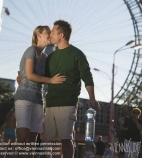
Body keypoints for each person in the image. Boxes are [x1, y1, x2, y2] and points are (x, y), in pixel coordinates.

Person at [43, 20, 99, 158]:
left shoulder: (76, 54)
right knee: (53, 142)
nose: (50, 34)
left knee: (66, 140)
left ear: (61, 35)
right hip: (50, 103)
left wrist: (92, 97)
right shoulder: (50, 57)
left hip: (67, 103)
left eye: (53, 32)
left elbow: (87, 76)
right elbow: (42, 77)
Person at [14, 25, 66, 157]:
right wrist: (50, 81)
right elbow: (30, 75)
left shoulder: (45, 56)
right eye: (47, 33)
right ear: (38, 35)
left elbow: (48, 76)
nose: (50, 35)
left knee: (33, 139)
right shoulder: (31, 50)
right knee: (22, 135)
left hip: (38, 99)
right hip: (24, 97)